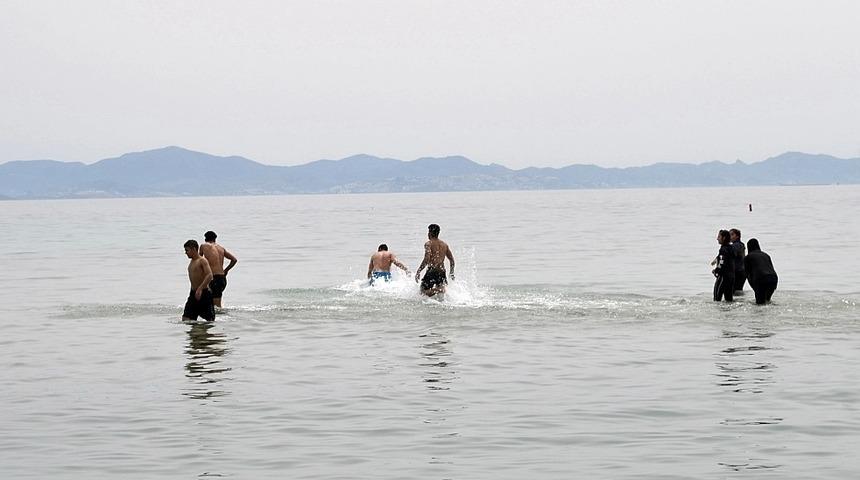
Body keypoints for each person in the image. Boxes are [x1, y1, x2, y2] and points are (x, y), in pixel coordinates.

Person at [199, 230, 238, 309]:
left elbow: (198, 260)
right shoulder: (221, 248)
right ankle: (216, 319)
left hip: (213, 278)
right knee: (215, 304)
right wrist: (226, 270)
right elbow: (234, 260)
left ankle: (218, 320)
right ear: (215, 239)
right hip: (222, 279)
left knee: (216, 307)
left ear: (205, 239)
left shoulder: (203, 246)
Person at [414, 224, 455, 297]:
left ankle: (439, 289)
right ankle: (440, 289)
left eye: (428, 232)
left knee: (422, 292)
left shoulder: (428, 244)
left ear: (430, 233)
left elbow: (427, 259)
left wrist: (419, 271)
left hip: (432, 271)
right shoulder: (444, 245)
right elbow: (452, 260)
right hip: (442, 272)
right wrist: (451, 273)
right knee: (441, 296)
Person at [183, 239, 215, 321]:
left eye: (187, 250)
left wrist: (200, 289)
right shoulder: (191, 262)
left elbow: (209, 275)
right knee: (186, 319)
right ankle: (195, 333)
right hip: (193, 294)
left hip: (204, 293)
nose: (185, 252)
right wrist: (194, 291)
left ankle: (206, 333)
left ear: (194, 249)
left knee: (209, 321)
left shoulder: (202, 260)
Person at [744, 238, 778, 304]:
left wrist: (755, 288)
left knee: (760, 304)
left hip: (761, 279)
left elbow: (746, 274)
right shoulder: (766, 255)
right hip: (773, 279)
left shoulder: (748, 257)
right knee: (767, 301)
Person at [712, 229, 735, 302]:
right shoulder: (730, 248)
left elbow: (722, 262)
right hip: (731, 276)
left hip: (724, 277)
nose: (717, 238)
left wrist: (716, 270)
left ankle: (719, 313)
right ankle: (729, 313)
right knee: (729, 299)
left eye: (719, 237)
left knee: (717, 299)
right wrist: (716, 259)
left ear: (724, 238)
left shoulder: (723, 249)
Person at [730, 228, 746, 293]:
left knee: (734, 291)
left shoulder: (735, 245)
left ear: (737, 236)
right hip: (742, 271)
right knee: (738, 290)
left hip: (737, 271)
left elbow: (732, 256)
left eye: (732, 235)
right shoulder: (742, 244)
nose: (730, 237)